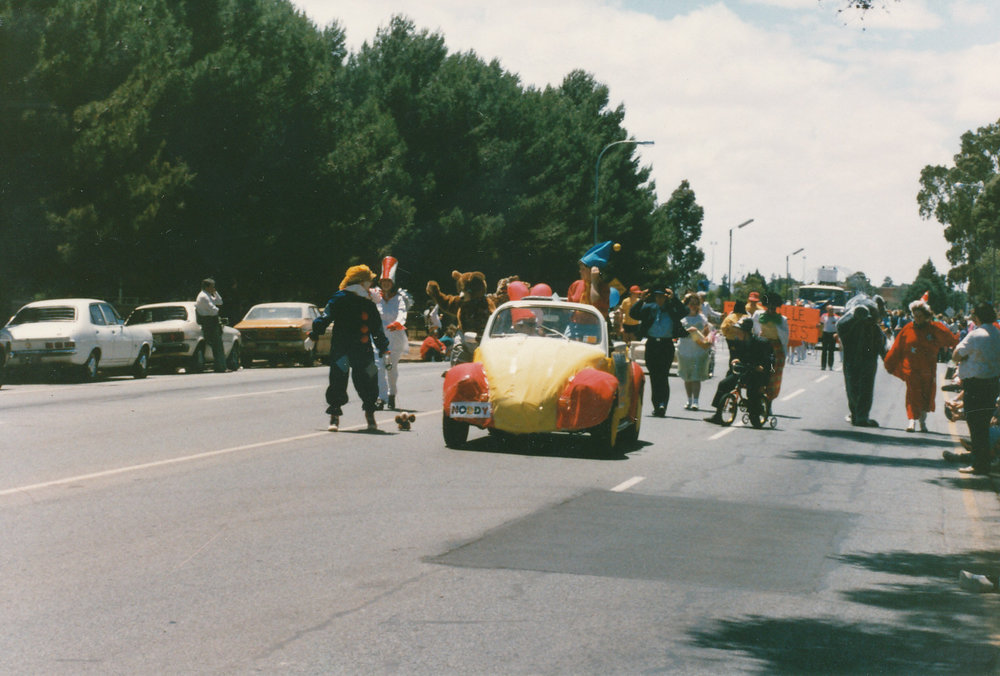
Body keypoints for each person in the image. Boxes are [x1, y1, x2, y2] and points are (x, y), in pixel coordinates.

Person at [310, 265, 389, 432]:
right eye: (369, 280)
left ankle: (370, 415)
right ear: (361, 281)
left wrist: (383, 348)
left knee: (368, 380)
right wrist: (313, 335)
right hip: (342, 348)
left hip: (362, 349)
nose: (370, 284)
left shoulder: (368, 302)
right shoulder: (340, 298)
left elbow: (376, 327)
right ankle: (334, 416)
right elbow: (326, 317)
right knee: (338, 380)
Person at [884, 299, 958, 432]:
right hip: (911, 369)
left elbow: (949, 339)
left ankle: (923, 423)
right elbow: (897, 347)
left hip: (928, 370)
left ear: (926, 316)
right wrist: (889, 362)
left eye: (920, 316)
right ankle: (911, 421)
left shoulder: (934, 328)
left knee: (925, 395)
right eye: (915, 316)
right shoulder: (907, 329)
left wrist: (937, 322)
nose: (917, 319)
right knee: (912, 394)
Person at [951, 302, 1000, 474]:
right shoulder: (998, 334)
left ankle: (978, 464)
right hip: (992, 383)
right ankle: (983, 462)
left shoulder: (976, 334)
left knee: (975, 424)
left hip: (975, 384)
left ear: (977, 317)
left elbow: (956, 354)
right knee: (984, 424)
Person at [704, 317, 774, 424]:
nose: (737, 333)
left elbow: (770, 359)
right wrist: (735, 359)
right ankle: (718, 414)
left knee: (752, 393)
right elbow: (735, 356)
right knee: (724, 384)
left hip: (757, 374)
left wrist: (762, 367)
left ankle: (755, 414)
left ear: (746, 332)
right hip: (744, 371)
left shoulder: (761, 343)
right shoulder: (737, 341)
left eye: (739, 331)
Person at [629, 286, 686, 417]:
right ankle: (656, 405)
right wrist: (641, 300)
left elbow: (684, 311)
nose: (659, 299)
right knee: (654, 377)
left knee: (663, 376)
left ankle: (662, 405)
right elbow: (633, 313)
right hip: (652, 344)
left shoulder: (672, 309)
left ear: (666, 298)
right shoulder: (649, 308)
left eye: (662, 297)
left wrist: (675, 299)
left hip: (666, 344)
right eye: (657, 296)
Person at [836, 294, 887, 427]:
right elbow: (840, 325)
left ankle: (862, 416)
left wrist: (888, 359)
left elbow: (882, 345)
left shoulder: (874, 329)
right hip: (852, 361)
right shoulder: (852, 325)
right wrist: (856, 316)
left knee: (865, 389)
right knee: (852, 388)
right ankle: (856, 414)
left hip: (868, 362)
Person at [373, 256, 409, 410]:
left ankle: (392, 393)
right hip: (378, 337)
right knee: (378, 366)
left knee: (391, 368)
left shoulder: (399, 298)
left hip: (395, 337)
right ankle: (382, 397)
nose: (386, 284)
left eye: (388, 282)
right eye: (383, 282)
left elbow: (402, 313)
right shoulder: (375, 296)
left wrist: (398, 322)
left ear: (393, 283)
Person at [753, 292, 789, 411]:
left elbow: (785, 338)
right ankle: (758, 401)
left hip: (775, 350)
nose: (771, 309)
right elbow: (753, 330)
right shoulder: (758, 315)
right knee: (759, 374)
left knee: (772, 376)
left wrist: (776, 327)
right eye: (769, 306)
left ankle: (769, 404)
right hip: (761, 348)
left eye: (774, 307)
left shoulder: (782, 319)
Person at [677, 291, 713, 410]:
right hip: (685, 349)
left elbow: (707, 333)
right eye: (690, 303)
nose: (692, 306)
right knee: (687, 377)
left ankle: (696, 401)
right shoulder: (682, 318)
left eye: (695, 303)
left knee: (696, 377)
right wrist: (688, 331)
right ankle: (689, 400)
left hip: (698, 350)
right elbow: (677, 333)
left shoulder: (702, 318)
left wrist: (708, 339)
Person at [195, 278, 228, 373]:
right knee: (217, 345)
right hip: (209, 321)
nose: (214, 288)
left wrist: (215, 292)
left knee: (218, 344)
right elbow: (214, 309)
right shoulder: (203, 296)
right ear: (207, 287)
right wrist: (217, 309)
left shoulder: (209, 295)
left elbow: (220, 302)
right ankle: (220, 367)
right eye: (212, 286)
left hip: (213, 320)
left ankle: (222, 366)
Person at [818, 303, 838, 371]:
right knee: (824, 350)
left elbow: (839, 327)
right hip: (825, 334)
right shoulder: (824, 316)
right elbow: (821, 324)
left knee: (831, 351)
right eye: (829, 309)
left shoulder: (837, 317)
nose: (831, 311)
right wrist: (818, 326)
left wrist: (837, 334)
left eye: (832, 309)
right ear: (827, 310)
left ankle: (830, 365)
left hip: (833, 334)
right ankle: (823, 366)